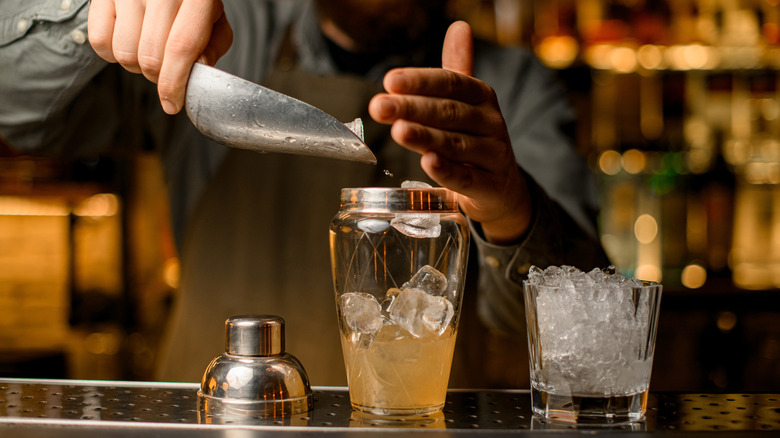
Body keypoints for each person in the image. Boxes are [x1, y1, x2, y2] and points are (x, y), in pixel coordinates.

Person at [0, 0, 610, 387]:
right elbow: (18, 114)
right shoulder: (215, 33)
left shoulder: (518, 88)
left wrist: (509, 207)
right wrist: (90, 16)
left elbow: (580, 333)